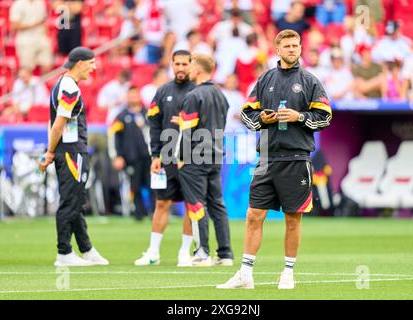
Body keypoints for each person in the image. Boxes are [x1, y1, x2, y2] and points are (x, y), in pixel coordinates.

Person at [217, 29, 332, 289]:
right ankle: (245, 273)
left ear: (300, 48)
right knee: (254, 215)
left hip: (296, 158)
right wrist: (262, 120)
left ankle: (288, 272)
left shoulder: (311, 81)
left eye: (296, 45)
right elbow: (246, 114)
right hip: (267, 157)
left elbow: (325, 117)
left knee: (293, 219)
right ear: (277, 50)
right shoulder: (264, 79)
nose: (293, 49)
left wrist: (299, 117)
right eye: (287, 46)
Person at [38, 47, 109, 267]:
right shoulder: (70, 87)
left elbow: (53, 121)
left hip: (65, 150)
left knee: (75, 199)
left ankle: (86, 249)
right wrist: (50, 152)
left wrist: (51, 150)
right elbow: (59, 124)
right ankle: (64, 253)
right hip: (71, 151)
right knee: (71, 200)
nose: (94, 67)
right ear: (79, 63)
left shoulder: (60, 83)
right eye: (91, 63)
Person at [134, 50, 196, 267]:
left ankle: (184, 253)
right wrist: (155, 155)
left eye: (184, 64)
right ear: (171, 64)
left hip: (191, 158)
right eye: (177, 63)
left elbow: (209, 125)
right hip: (167, 158)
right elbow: (154, 126)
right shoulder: (162, 92)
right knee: (162, 203)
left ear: (191, 64)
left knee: (191, 205)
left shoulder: (198, 92)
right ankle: (153, 253)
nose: (180, 68)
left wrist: (186, 122)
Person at [178, 53, 234, 266]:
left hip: (195, 156)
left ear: (199, 69)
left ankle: (202, 252)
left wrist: (182, 157)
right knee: (217, 204)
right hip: (216, 154)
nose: (188, 69)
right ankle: (225, 253)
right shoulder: (221, 94)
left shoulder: (194, 95)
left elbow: (187, 130)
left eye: (191, 65)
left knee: (196, 204)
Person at [109, 86, 154, 221]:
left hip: (151, 157)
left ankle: (156, 213)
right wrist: (116, 156)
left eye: (135, 95)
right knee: (135, 187)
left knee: (154, 186)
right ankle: (138, 213)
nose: (133, 98)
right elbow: (114, 137)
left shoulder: (149, 114)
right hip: (132, 158)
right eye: (130, 95)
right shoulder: (121, 116)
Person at [9, 0, 52, 73]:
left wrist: (46, 34)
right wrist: (34, 24)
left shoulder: (40, 2)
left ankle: (43, 84)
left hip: (41, 37)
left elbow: (43, 21)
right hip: (25, 40)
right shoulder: (18, 4)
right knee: (27, 69)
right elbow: (14, 26)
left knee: (47, 66)